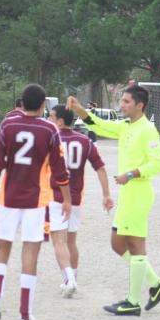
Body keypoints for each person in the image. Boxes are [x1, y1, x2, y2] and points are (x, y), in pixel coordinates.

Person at [67, 85, 160, 316]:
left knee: (136, 246)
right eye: (122, 100)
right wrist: (79, 109)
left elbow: (158, 163)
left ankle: (133, 302)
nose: (121, 105)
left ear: (139, 105)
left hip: (139, 193)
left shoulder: (148, 130)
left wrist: (131, 174)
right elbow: (99, 125)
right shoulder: (125, 126)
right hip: (128, 194)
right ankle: (156, 284)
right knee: (117, 243)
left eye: (126, 101)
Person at [0, 84, 71, 320]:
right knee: (30, 254)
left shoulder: (8, 126)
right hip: (35, 201)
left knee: (1, 250)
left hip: (8, 198)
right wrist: (66, 199)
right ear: (43, 105)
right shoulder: (50, 130)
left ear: (21, 103)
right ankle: (24, 316)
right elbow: (60, 170)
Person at [47, 105, 113, 298]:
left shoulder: (51, 139)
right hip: (75, 198)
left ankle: (69, 279)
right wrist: (106, 194)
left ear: (60, 121)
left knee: (58, 241)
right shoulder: (85, 141)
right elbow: (100, 168)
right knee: (71, 241)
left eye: (51, 117)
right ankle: (72, 278)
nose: (49, 120)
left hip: (56, 196)